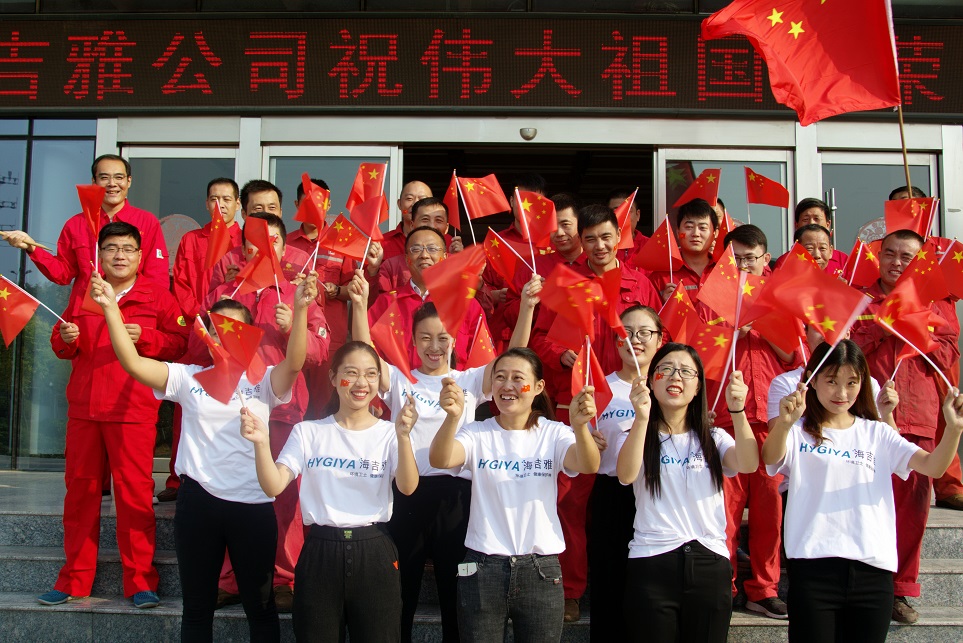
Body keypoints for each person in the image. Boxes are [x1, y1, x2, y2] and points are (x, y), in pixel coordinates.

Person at [95, 268, 315, 641]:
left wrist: (301, 310)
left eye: (234, 328)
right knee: (197, 609)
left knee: (260, 608)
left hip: (252, 505)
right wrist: (110, 309)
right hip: (199, 504)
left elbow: (294, 363)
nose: (223, 335)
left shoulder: (263, 382)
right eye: (216, 327)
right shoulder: (188, 378)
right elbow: (133, 363)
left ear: (251, 336)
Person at [348, 266, 541, 643]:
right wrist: (358, 304)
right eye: (425, 338)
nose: (434, 346)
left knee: (457, 594)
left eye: (442, 337)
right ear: (413, 341)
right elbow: (364, 355)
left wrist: (527, 308)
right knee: (401, 590)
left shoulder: (469, 380)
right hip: (407, 493)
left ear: (454, 338)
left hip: (457, 498)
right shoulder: (400, 378)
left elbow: (512, 357)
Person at [763, 340, 963, 642]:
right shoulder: (799, 431)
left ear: (863, 384)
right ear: (812, 380)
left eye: (851, 382)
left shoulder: (877, 432)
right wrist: (784, 424)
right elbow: (771, 458)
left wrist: (954, 429)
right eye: (832, 381)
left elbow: (933, 466)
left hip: (873, 573)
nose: (842, 393)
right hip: (813, 570)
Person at [37, 222, 188, 609]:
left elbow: (181, 342)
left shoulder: (157, 295)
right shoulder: (87, 290)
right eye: (111, 248)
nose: (120, 255)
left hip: (132, 409)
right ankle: (74, 579)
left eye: (127, 249)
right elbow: (61, 339)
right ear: (100, 255)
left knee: (135, 497)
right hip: (85, 410)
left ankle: (140, 582)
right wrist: (64, 340)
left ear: (140, 256)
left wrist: (148, 338)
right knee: (80, 495)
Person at [529, 203, 661, 620]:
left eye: (606, 237)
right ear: (580, 242)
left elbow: (660, 339)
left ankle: (634, 585)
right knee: (572, 502)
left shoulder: (640, 283)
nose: (600, 246)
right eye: (590, 239)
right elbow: (539, 339)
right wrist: (560, 354)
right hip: (579, 404)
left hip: (629, 406)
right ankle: (571, 590)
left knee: (637, 497)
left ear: (619, 236)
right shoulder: (565, 281)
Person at [241, 341, 420, 643]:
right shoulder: (308, 432)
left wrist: (403, 437)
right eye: (351, 373)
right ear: (334, 378)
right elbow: (273, 485)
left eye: (371, 374)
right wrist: (261, 443)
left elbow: (408, 486)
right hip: (320, 552)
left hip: (374, 552)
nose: (361, 383)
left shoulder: (390, 433)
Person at [430, 347, 600, 642]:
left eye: (518, 378)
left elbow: (587, 464)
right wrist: (452, 418)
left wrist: (580, 427)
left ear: (538, 387)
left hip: (541, 569)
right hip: (483, 567)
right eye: (500, 377)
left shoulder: (553, 433)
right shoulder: (477, 432)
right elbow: (441, 459)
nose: (507, 386)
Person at [208, 213, 331, 612]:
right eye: (255, 241)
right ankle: (229, 579)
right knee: (229, 492)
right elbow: (200, 348)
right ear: (244, 248)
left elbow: (320, 352)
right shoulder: (226, 292)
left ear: (283, 246)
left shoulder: (296, 293)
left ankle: (285, 579)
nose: (263, 248)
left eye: (272, 240)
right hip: (230, 409)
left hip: (283, 409)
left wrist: (293, 325)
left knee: (284, 497)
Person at [849, 228, 961, 623]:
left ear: (920, 263)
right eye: (890, 254)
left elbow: (949, 354)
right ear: (878, 257)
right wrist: (882, 325)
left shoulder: (936, 302)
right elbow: (845, 349)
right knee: (863, 502)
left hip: (917, 415)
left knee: (911, 509)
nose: (897, 262)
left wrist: (919, 326)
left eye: (907, 256)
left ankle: (899, 589)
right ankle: (861, 580)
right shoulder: (860, 298)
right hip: (865, 417)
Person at [616, 344, 758, 642]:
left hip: (709, 562)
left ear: (698, 387)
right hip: (652, 561)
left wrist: (738, 411)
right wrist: (641, 418)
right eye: (665, 369)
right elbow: (626, 475)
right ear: (651, 381)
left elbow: (748, 463)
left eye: (685, 371)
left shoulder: (714, 437)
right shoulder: (636, 433)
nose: (675, 377)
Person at [711, 224, 794, 619]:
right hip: (726, 422)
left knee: (769, 513)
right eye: (736, 259)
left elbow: (794, 356)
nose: (744, 266)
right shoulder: (711, 299)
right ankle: (723, 585)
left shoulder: (780, 301)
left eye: (751, 258)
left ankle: (763, 588)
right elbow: (697, 355)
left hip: (771, 424)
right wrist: (730, 330)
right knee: (724, 512)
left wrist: (759, 323)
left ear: (766, 259)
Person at [159, 177, 244, 503]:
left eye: (226, 199)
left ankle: (229, 473)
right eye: (214, 199)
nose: (219, 205)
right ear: (206, 203)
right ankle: (178, 478)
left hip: (234, 332)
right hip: (199, 330)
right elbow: (180, 285)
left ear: (238, 204)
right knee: (188, 404)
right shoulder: (192, 240)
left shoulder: (245, 241)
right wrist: (203, 318)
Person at [1, 154, 169, 316]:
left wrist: (152, 317)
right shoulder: (76, 224)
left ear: (129, 181)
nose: (112, 184)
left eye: (119, 177)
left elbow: (156, 277)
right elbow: (62, 274)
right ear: (94, 182)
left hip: (132, 314)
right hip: (86, 317)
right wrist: (31, 247)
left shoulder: (147, 222)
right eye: (104, 178)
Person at [588, 305, 662, 641]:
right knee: (609, 584)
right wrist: (585, 437)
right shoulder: (599, 388)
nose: (635, 340)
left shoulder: (671, 387)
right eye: (627, 333)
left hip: (660, 495)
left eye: (645, 333)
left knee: (651, 593)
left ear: (659, 340)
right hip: (613, 495)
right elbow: (578, 444)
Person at [367, 226, 485, 370]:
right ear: (406, 259)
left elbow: (482, 362)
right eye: (416, 249)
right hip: (398, 384)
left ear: (445, 257)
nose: (424, 255)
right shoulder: (386, 303)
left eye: (432, 249)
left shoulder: (466, 304)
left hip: (453, 384)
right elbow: (368, 355)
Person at [206, 180, 312, 298]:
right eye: (258, 208)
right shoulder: (229, 260)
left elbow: (315, 303)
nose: (266, 214)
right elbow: (211, 303)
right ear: (244, 214)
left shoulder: (300, 259)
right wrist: (227, 287)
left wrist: (306, 292)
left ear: (280, 212)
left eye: (272, 207)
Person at [648, 198, 717, 312]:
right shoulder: (660, 277)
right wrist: (663, 306)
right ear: (678, 232)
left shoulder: (724, 271)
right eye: (689, 227)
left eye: (703, 228)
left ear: (714, 234)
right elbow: (647, 318)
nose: (695, 233)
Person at [773, 198, 848, 274]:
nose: (811, 223)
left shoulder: (843, 260)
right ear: (796, 225)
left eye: (816, 219)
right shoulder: (785, 262)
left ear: (828, 224)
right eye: (805, 219)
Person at [381, 180, 434, 260]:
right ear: (399, 204)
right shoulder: (382, 243)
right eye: (409, 198)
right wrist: (373, 267)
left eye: (422, 199)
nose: (415, 204)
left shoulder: (447, 242)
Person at [607, 188, 648, 264]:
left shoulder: (651, 246)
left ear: (638, 215)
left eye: (628, 210)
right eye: (616, 210)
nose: (622, 215)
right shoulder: (600, 246)